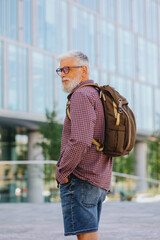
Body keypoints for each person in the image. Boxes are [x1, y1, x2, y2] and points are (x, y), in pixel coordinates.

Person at [55, 51, 113, 240]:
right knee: (90, 234)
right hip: (98, 177)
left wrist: (62, 172)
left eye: (67, 69)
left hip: (81, 178)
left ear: (84, 70)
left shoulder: (80, 95)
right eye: (60, 70)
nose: (63, 74)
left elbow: (80, 139)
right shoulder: (96, 94)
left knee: (86, 237)